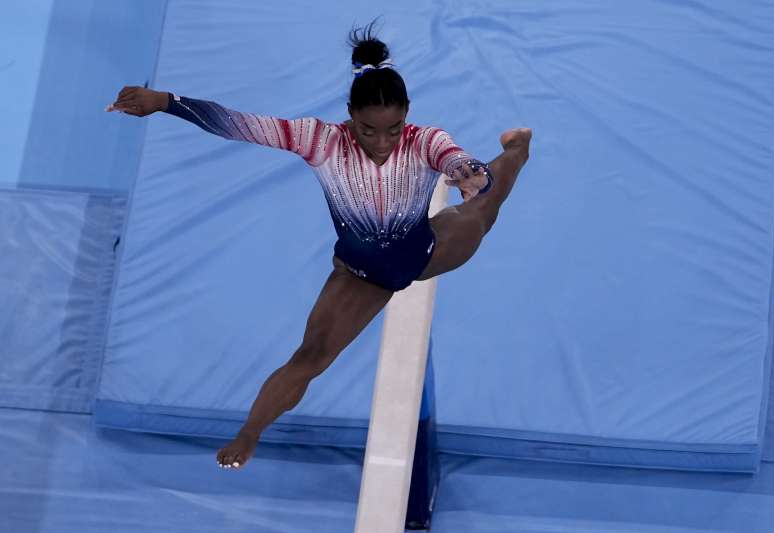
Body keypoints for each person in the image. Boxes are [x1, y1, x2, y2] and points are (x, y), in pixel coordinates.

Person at [107, 23, 531, 470]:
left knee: (486, 206)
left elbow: (452, 155)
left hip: (426, 253)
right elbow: (238, 124)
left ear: (408, 113)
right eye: (368, 131)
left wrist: (467, 170)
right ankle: (250, 433)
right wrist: (166, 103)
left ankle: (519, 147)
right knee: (309, 358)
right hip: (360, 277)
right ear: (349, 115)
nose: (382, 144)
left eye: (394, 129)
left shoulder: (425, 140)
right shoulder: (320, 141)